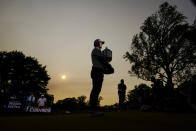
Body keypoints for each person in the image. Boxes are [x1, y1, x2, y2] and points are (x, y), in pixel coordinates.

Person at [89, 39, 106, 116]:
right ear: (96, 44)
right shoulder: (96, 50)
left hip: (99, 71)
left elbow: (103, 61)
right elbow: (103, 60)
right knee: (95, 90)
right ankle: (93, 110)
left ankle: (93, 110)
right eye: (100, 43)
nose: (101, 44)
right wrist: (109, 67)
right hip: (96, 71)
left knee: (97, 90)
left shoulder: (99, 51)